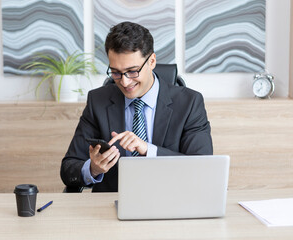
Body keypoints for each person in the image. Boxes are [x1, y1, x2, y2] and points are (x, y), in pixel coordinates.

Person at [60, 21, 213, 192]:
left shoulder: (190, 103)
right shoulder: (98, 101)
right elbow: (68, 169)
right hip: (112, 204)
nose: (125, 82)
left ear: (152, 61)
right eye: (116, 72)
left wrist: (149, 150)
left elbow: (202, 167)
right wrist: (93, 169)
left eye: (132, 71)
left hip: (171, 200)